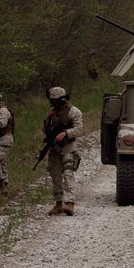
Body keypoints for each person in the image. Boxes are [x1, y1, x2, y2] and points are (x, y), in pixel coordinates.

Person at [43, 87, 83, 216]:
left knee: (67, 173)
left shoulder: (73, 111)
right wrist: (47, 119)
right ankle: (58, 203)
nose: (52, 103)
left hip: (68, 146)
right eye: (51, 100)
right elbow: (44, 130)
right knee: (55, 174)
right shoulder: (51, 112)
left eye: (54, 100)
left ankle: (70, 203)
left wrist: (66, 133)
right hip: (54, 147)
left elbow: (79, 129)